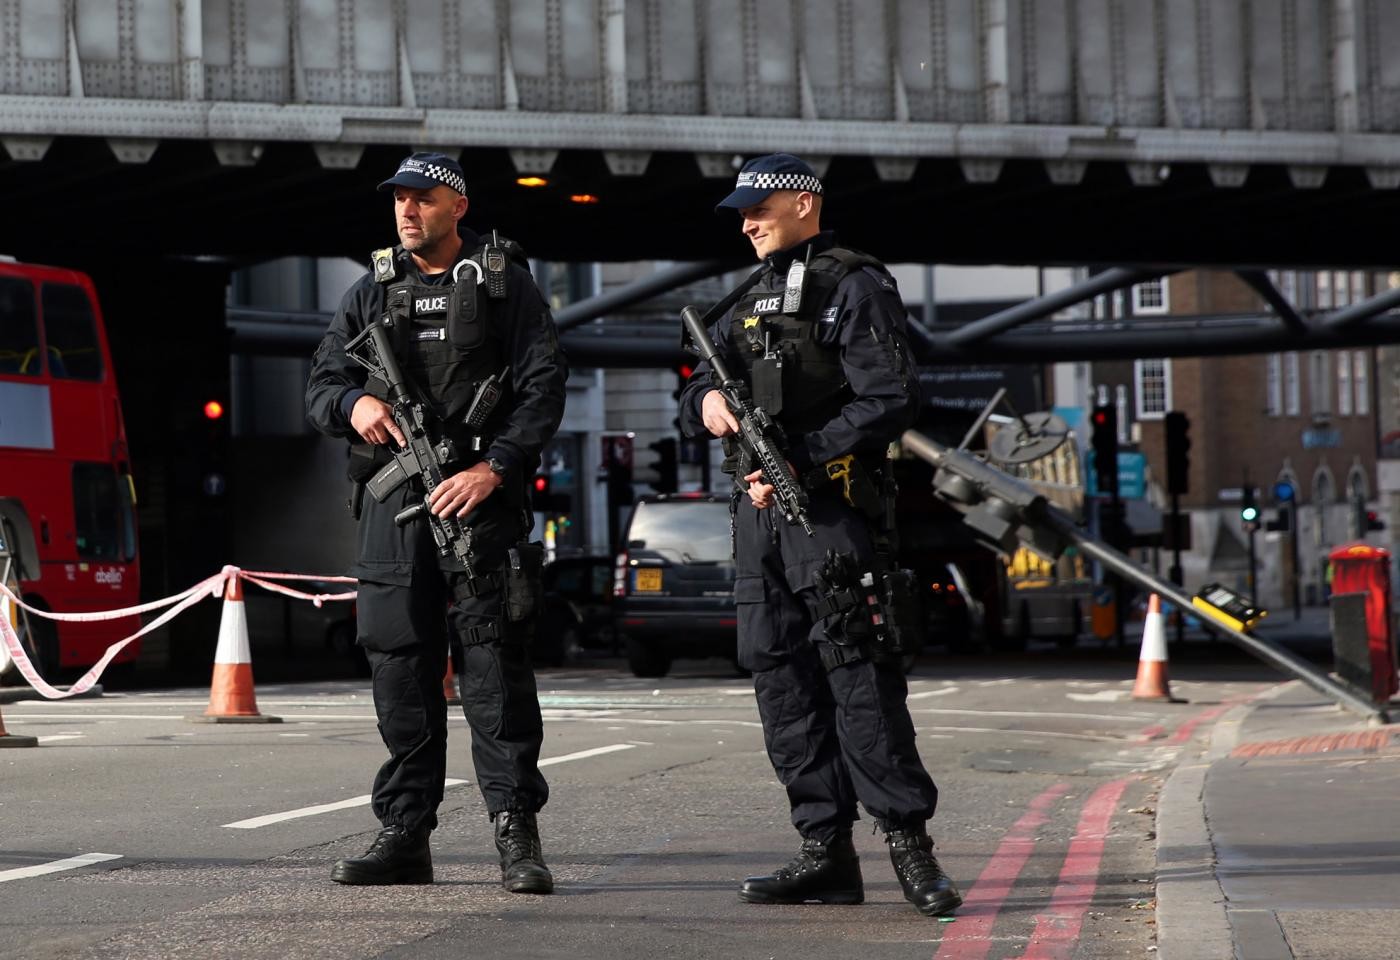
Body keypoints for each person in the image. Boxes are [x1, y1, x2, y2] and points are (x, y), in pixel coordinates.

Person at [677, 154, 962, 918]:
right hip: (760, 518)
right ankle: (824, 850)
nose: (745, 223)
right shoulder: (747, 296)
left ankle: (909, 846)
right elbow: (701, 384)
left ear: (804, 204)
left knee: (858, 676)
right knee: (781, 682)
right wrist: (706, 403)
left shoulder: (854, 284)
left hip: (830, 511)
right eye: (740, 212)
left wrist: (800, 457)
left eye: (757, 209)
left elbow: (891, 397)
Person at [306, 152, 567, 893]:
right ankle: (405, 832)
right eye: (399, 200)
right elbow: (324, 380)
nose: (406, 211)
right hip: (394, 508)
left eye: (422, 199)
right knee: (399, 665)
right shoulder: (370, 292)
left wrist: (496, 467)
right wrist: (353, 405)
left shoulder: (503, 286)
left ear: (457, 204)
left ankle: (516, 834)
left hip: (479, 505)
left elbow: (544, 387)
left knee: (494, 671)